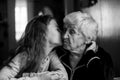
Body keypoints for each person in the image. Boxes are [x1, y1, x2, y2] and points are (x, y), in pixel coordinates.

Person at [0, 15, 68, 80]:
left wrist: (31, 76)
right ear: (43, 33)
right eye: (57, 29)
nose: (62, 33)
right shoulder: (24, 56)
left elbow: (64, 76)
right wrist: (39, 78)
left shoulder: (52, 55)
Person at [55, 11, 114, 80]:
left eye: (72, 32)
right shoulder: (59, 53)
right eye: (65, 30)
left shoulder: (102, 58)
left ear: (88, 38)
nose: (64, 36)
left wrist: (90, 56)